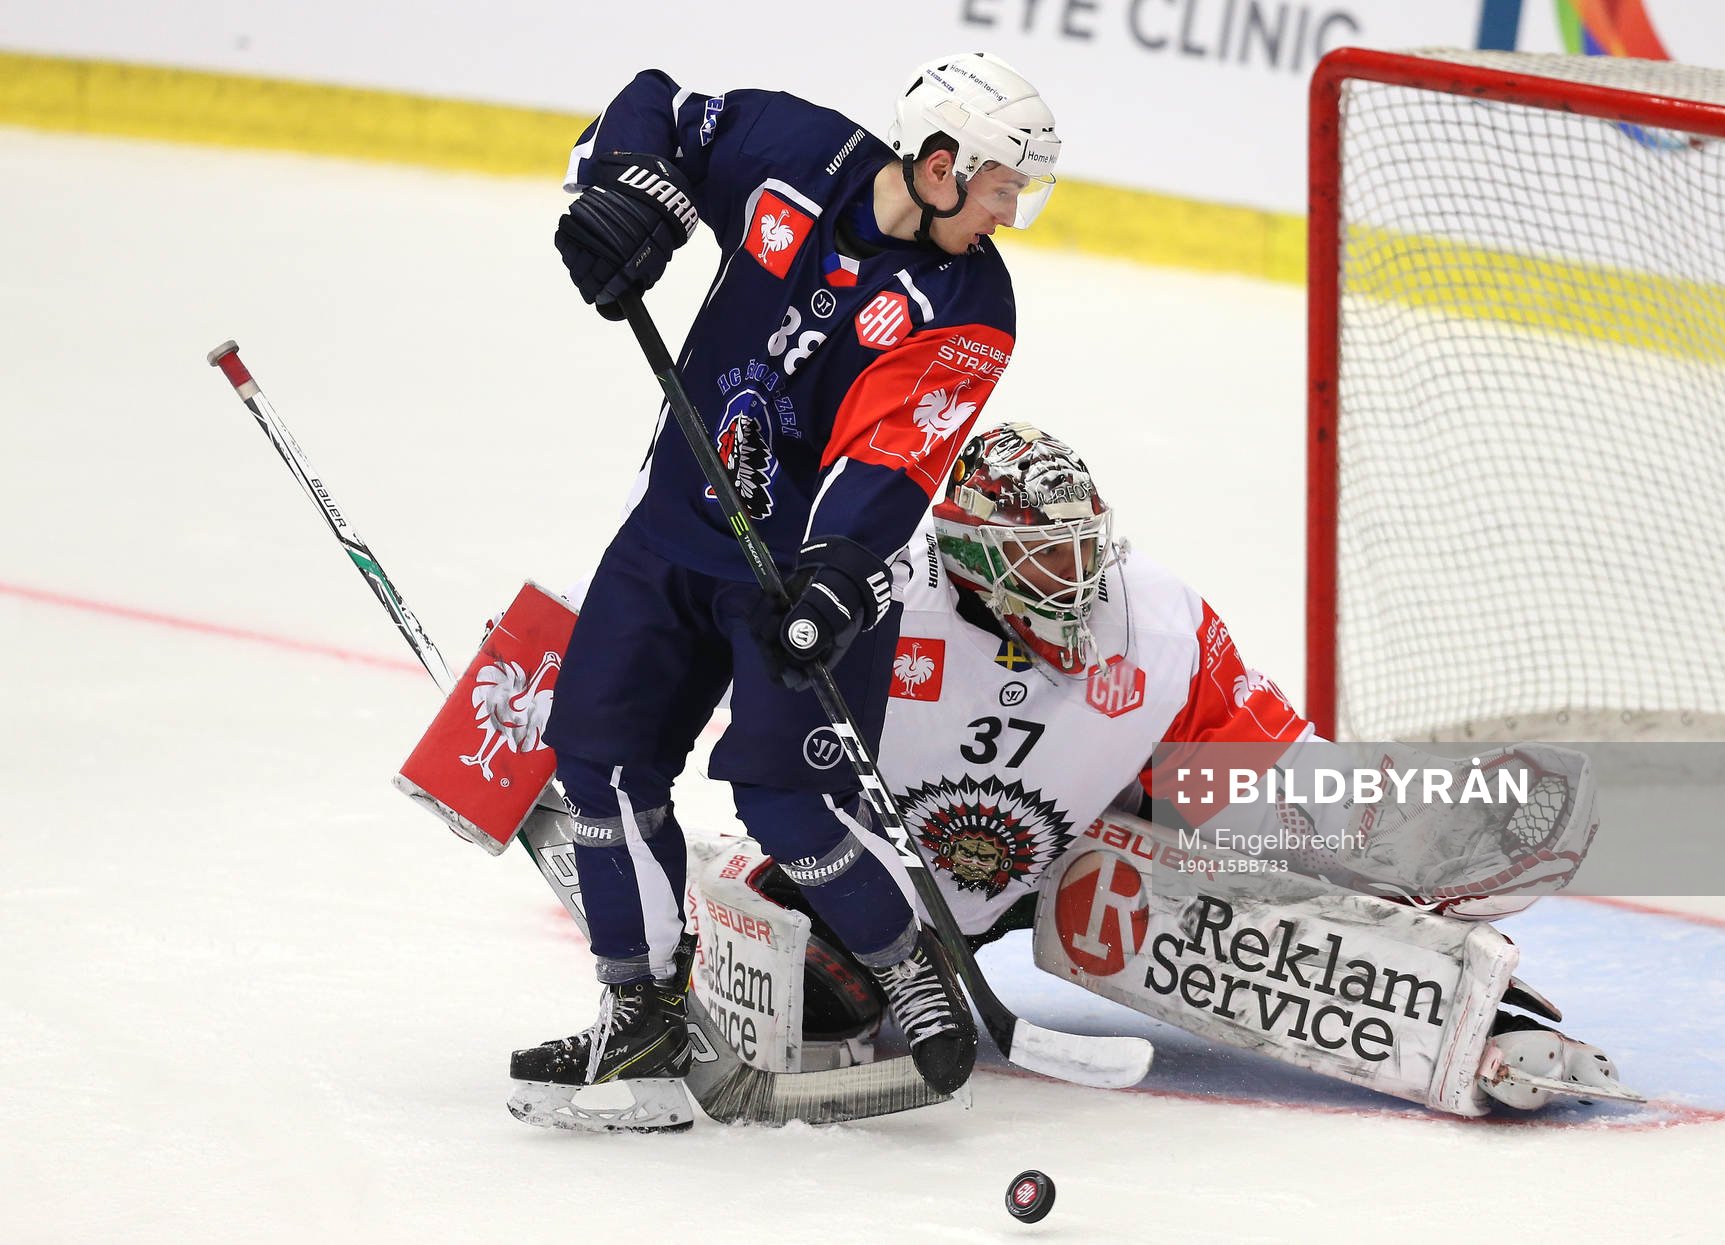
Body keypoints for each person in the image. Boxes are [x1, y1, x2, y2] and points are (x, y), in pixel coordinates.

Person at [729, 422, 1624, 1111]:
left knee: (1238, 821)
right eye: (1044, 558)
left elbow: (1267, 766)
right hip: (884, 886)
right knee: (811, 1007)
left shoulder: (1152, 623)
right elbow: (764, 754)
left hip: (1063, 851)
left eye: (1084, 548)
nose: (1076, 580)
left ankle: (1406, 933)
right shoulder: (874, 606)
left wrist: (1384, 834)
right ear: (967, 554)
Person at [507, 54, 1062, 1133]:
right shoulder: (791, 152)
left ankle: (907, 967)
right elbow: (654, 113)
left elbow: (895, 453)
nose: (1010, 215)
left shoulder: (970, 301)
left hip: (809, 576)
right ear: (939, 163)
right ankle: (644, 1017)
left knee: (788, 804)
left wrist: (835, 576)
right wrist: (626, 202)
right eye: (1002, 186)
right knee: (598, 764)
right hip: (675, 526)